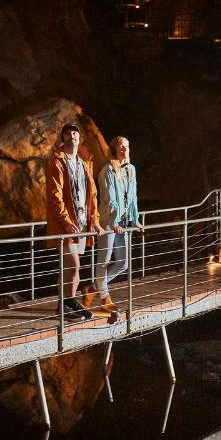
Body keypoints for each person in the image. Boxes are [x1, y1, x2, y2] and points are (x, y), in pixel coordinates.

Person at [45, 123, 102, 320]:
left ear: (79, 138)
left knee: (70, 269)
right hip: (66, 225)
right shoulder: (57, 162)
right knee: (74, 265)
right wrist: (66, 221)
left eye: (75, 133)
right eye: (68, 133)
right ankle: (70, 304)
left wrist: (94, 220)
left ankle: (64, 308)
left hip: (82, 223)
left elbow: (92, 195)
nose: (72, 136)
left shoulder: (85, 162)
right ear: (63, 139)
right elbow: (54, 196)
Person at [95, 136, 142, 320]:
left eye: (127, 146)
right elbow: (109, 200)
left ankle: (95, 286)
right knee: (104, 260)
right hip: (108, 221)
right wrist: (114, 223)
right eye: (121, 146)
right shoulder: (106, 171)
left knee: (123, 263)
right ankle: (104, 296)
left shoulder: (131, 169)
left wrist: (135, 220)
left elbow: (133, 197)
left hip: (124, 222)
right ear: (114, 149)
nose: (124, 149)